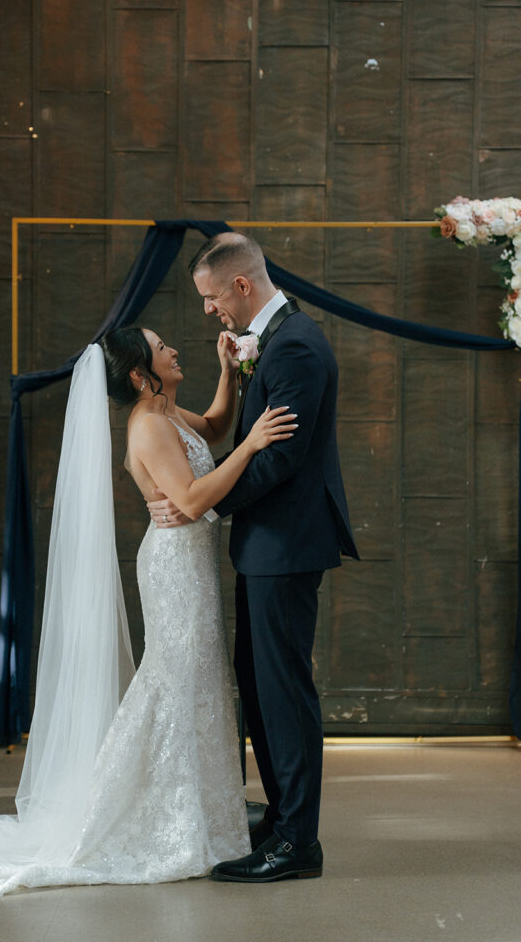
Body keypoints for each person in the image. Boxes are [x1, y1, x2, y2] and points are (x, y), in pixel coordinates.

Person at [0, 327, 296, 898]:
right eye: (161, 348)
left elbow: (214, 427)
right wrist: (252, 446)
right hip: (174, 570)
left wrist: (228, 374)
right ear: (139, 373)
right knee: (172, 683)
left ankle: (198, 813)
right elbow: (194, 500)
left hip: (192, 566)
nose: (174, 350)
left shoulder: (171, 415)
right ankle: (140, 812)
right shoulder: (149, 425)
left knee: (198, 684)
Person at [148, 233, 359, 883]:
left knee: (283, 694)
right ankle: (282, 819)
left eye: (211, 297)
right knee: (262, 687)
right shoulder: (280, 338)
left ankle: (297, 843)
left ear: (241, 285)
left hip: (287, 544)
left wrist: (198, 505)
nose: (209, 310)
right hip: (270, 544)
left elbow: (278, 457)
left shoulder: (294, 345)